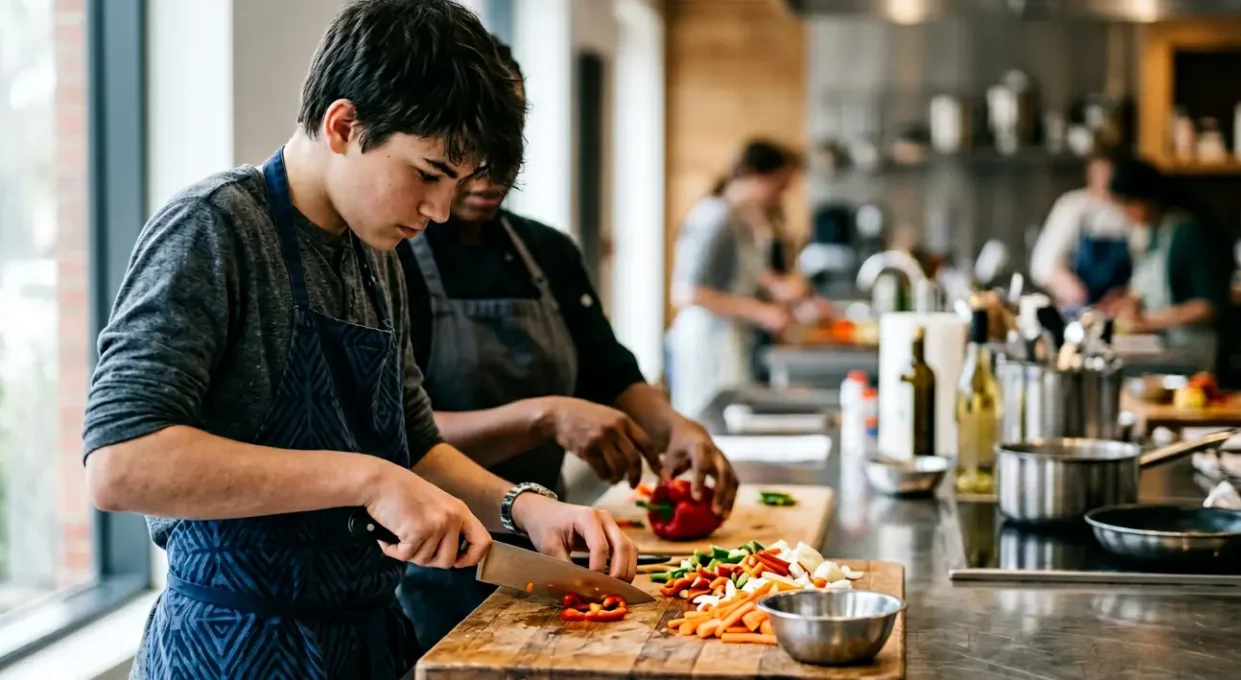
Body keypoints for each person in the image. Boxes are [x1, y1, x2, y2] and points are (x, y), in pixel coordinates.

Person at [80, 3, 636, 678]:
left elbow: (418, 443)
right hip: (228, 653)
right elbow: (119, 464)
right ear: (345, 125)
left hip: (363, 647)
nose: (436, 212)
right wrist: (367, 480)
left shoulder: (377, 257)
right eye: (427, 174)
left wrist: (529, 510)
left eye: (455, 187)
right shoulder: (213, 229)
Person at [394, 41, 740, 648]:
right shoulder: (393, 253)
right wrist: (545, 417)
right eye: (471, 148)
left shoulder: (547, 251)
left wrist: (673, 427)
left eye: (508, 143)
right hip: (437, 564)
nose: (491, 171)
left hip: (550, 543)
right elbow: (403, 433)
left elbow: (609, 370)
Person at [667, 139, 819, 416]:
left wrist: (782, 290)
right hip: (707, 341)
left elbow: (746, 275)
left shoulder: (743, 219)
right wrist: (761, 313)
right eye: (779, 186)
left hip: (730, 339)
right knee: (708, 420)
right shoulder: (715, 217)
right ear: (753, 176)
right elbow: (687, 291)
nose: (780, 196)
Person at [1099, 159, 1230, 372]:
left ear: (1145, 200)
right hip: (1165, 347)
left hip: (1192, 352)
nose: (1126, 215)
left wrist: (1147, 321)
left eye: (1127, 206)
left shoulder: (1188, 234)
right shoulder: (1154, 232)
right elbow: (1146, 285)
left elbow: (1208, 306)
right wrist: (1127, 302)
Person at [1029, 150, 1134, 309]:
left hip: (1119, 306)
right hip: (1078, 304)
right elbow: (1043, 265)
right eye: (1099, 173)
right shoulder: (1072, 206)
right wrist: (1076, 293)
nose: (1104, 180)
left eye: (1109, 173)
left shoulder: (1130, 210)